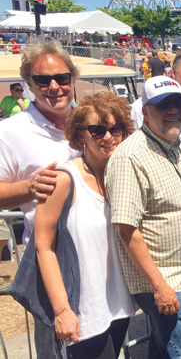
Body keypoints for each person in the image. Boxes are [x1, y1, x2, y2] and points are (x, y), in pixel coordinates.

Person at [105, 76, 181, 359]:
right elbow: (127, 230)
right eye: (163, 105)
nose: (173, 110)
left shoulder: (174, 145)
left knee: (163, 349)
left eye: (178, 103)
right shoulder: (130, 157)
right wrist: (160, 287)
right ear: (145, 112)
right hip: (163, 282)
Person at [35, 92, 135, 359]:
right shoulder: (64, 179)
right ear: (80, 136)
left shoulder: (121, 176)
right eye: (97, 130)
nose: (108, 137)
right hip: (84, 312)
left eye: (116, 128)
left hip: (119, 306)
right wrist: (61, 311)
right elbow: (43, 247)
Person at [0, 37, 82, 358]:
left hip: (101, 256)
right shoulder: (12, 132)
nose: (54, 86)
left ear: (72, 79)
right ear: (29, 84)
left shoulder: (92, 121)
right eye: (42, 80)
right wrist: (28, 187)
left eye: (62, 78)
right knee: (58, 346)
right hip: (53, 260)